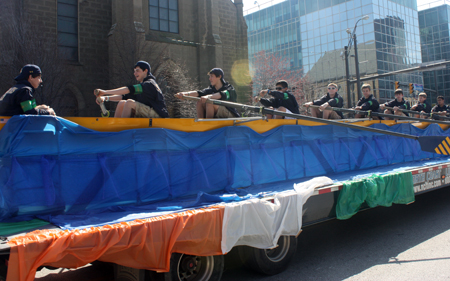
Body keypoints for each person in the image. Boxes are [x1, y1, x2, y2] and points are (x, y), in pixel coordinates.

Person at [94, 61, 169, 118]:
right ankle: (115, 127)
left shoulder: (149, 84)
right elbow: (124, 96)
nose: (134, 73)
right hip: (148, 110)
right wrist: (106, 98)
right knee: (122, 102)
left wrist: (104, 92)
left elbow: (128, 89)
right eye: (134, 71)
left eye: (137, 70)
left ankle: (123, 129)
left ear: (145, 71)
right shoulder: (143, 87)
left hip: (158, 115)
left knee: (129, 103)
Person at [175, 68, 239, 118]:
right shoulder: (211, 89)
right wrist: (184, 94)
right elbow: (198, 93)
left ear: (219, 76)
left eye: (212, 76)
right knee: (200, 101)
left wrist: (208, 97)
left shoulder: (229, 88)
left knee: (209, 102)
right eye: (209, 76)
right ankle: (201, 123)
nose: (209, 79)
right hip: (219, 112)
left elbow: (220, 94)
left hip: (231, 115)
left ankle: (208, 124)